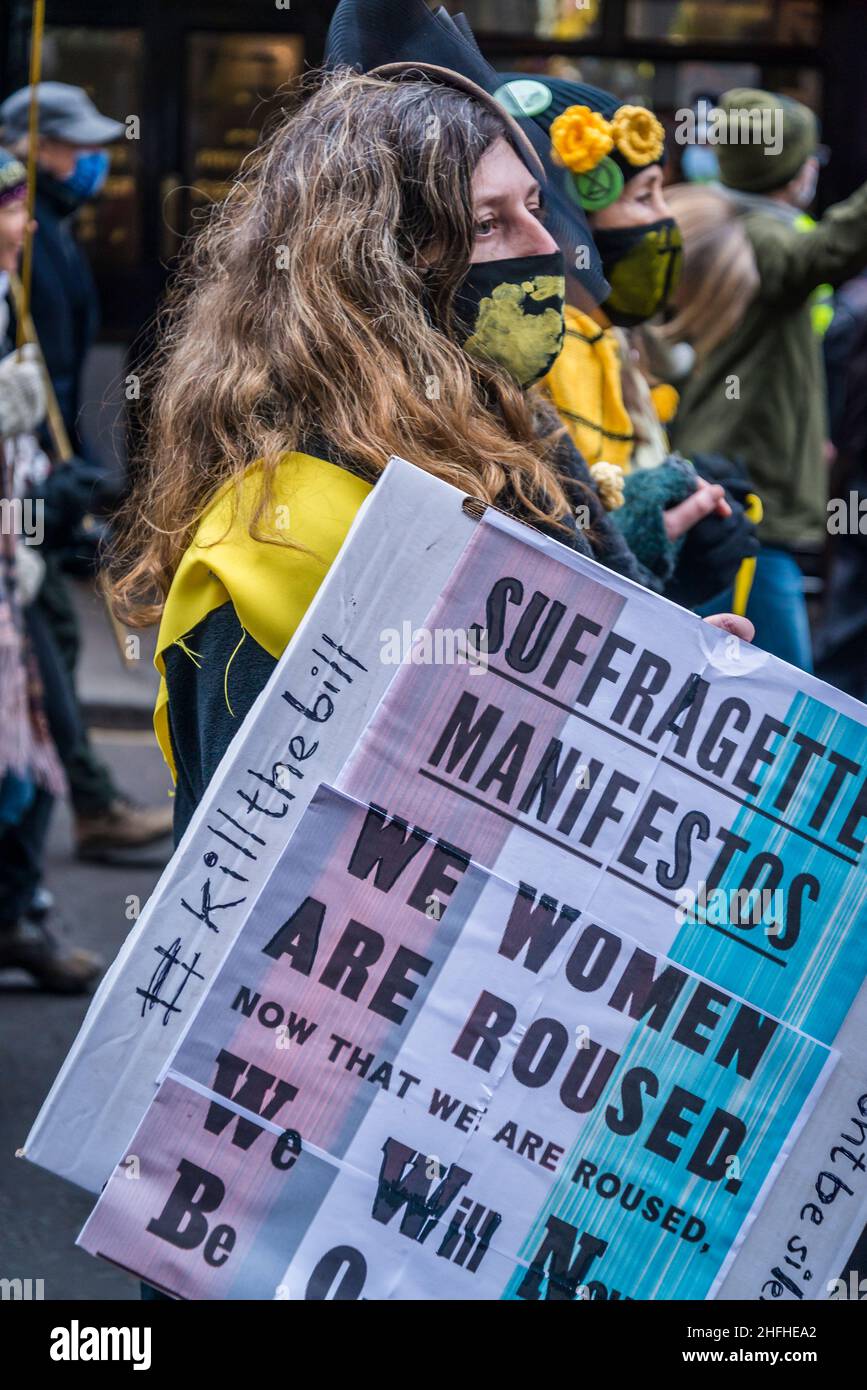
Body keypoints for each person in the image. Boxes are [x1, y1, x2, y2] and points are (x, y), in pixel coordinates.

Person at [107, 67, 751, 854]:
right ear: (372, 266)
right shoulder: (275, 538)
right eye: (487, 224)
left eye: (535, 206)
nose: (547, 247)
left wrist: (647, 693)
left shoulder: (511, 450)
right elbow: (252, 878)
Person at [493, 73, 759, 612]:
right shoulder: (541, 353)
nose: (664, 218)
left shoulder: (608, 343)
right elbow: (548, 553)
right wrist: (651, 535)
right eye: (644, 195)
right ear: (571, 221)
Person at [0, 82, 173, 858]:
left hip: (38, 491)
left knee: (45, 657)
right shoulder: (27, 252)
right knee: (44, 654)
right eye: (76, 146)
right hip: (20, 505)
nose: (92, 162)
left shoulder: (53, 235)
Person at [666, 88, 867, 671]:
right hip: (751, 502)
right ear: (786, 168)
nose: (813, 168)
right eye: (808, 156)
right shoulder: (761, 238)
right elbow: (828, 251)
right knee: (786, 687)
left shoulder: (727, 224)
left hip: (738, 488)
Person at [0, 147, 101, 990]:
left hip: (15, 576)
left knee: (33, 758)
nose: (26, 225)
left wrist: (51, 501)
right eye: (9, 209)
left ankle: (16, 913)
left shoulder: (10, 297)